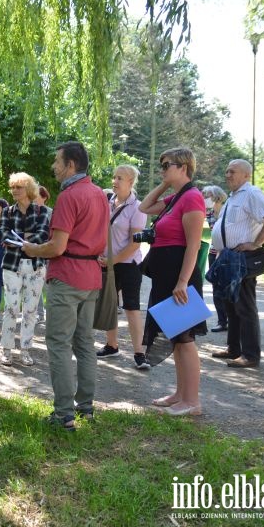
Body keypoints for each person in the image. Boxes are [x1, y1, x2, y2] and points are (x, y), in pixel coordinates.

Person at [21, 142, 108, 431]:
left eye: (57, 161)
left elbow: (57, 247)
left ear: (71, 165)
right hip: (91, 277)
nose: (53, 167)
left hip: (68, 276)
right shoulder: (98, 194)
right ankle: (86, 407)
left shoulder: (70, 196)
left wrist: (32, 249)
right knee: (84, 344)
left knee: (58, 343)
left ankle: (63, 413)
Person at [138, 147, 207, 416]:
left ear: (183, 166)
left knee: (185, 338)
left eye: (166, 165)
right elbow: (144, 207)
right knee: (177, 338)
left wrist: (182, 282)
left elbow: (192, 246)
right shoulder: (176, 198)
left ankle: (192, 402)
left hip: (179, 276)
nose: (162, 170)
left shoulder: (192, 198)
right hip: (166, 275)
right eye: (161, 165)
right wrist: (164, 183)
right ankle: (180, 394)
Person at [209, 159, 264, 369]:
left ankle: (250, 355)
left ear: (246, 175)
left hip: (241, 259)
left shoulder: (251, 193)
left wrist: (256, 243)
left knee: (245, 307)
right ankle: (234, 349)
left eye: (233, 172)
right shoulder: (234, 196)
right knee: (231, 305)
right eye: (227, 171)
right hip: (228, 257)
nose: (228, 175)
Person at [95, 165, 150, 369]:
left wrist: (114, 260)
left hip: (128, 264)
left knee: (131, 307)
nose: (114, 181)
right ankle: (112, 345)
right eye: (114, 177)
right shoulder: (108, 202)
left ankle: (139, 353)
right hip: (107, 263)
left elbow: (135, 243)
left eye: (120, 178)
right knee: (109, 305)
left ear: (131, 182)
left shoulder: (137, 207)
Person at [0, 173, 51, 366]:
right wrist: (26, 239)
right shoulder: (8, 212)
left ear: (28, 189)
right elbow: (3, 234)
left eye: (18, 187)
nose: (14, 191)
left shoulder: (42, 211)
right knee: (11, 308)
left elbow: (43, 234)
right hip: (12, 265)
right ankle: (6, 350)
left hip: (36, 266)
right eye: (12, 187)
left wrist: (19, 239)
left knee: (30, 310)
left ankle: (26, 350)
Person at [202, 185, 229, 332]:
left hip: (226, 253)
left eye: (207, 195)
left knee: (227, 286)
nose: (205, 198)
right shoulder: (209, 212)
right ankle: (222, 321)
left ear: (216, 196)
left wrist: (222, 250)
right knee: (216, 287)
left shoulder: (227, 210)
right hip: (213, 253)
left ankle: (233, 319)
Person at [34, 186, 51, 324]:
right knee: (36, 285)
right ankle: (39, 314)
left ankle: (52, 313)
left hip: (49, 254)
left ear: (44, 197)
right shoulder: (30, 212)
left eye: (36, 195)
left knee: (49, 286)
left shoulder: (51, 213)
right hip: (35, 253)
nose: (33, 198)